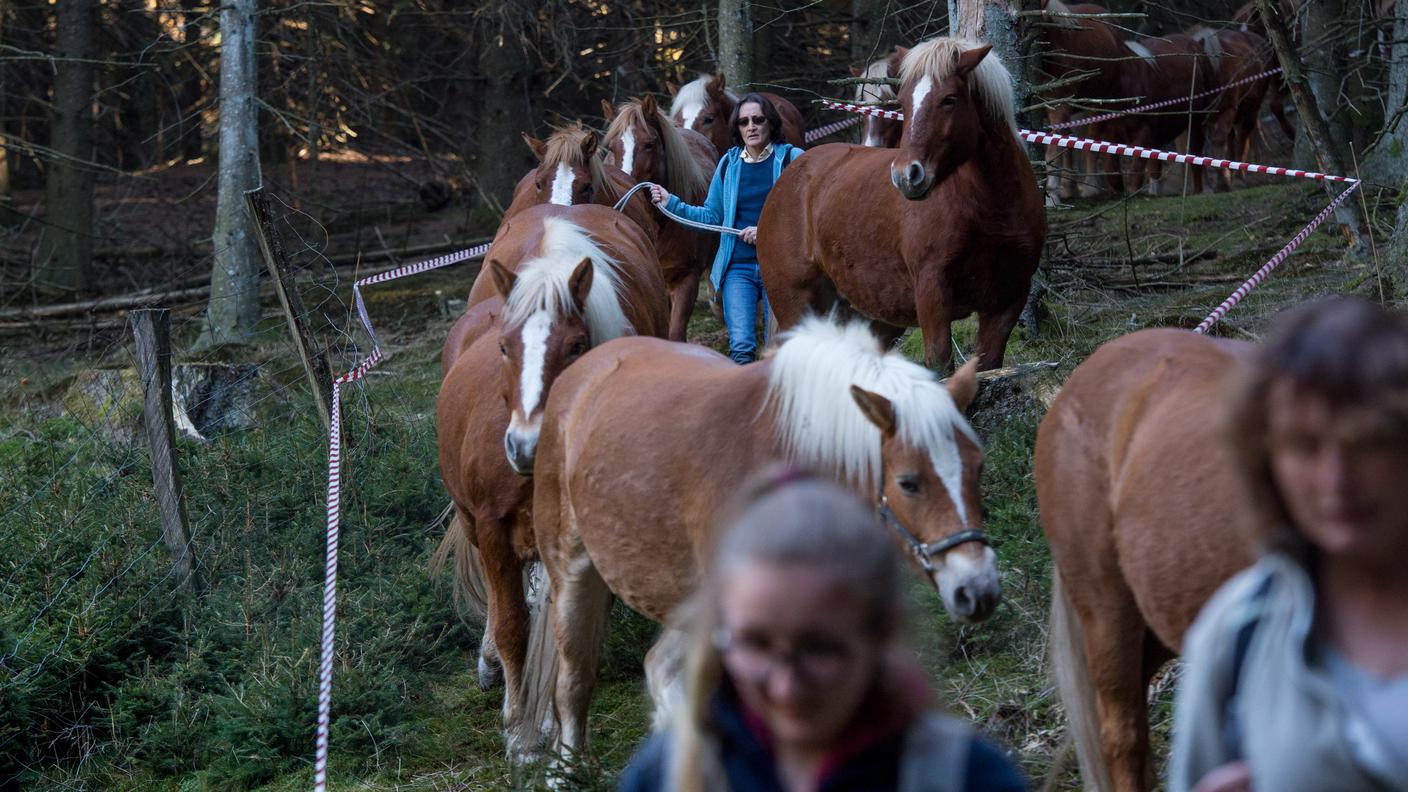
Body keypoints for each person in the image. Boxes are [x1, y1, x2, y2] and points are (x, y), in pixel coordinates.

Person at [618, 468, 1027, 792]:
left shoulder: (967, 777)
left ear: (882, 633)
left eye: (819, 649)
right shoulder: (662, 776)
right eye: (755, 645)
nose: (786, 688)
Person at [1169, 297, 1408, 792]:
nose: (1335, 480)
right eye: (1304, 446)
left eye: (1365, 443)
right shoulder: (1237, 633)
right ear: (1264, 457)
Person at [649, 94, 803, 364]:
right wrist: (670, 201)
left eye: (758, 119)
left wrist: (766, 231)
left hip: (779, 267)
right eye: (744, 122)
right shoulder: (728, 165)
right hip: (738, 268)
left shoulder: (793, 159)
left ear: (771, 123)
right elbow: (710, 216)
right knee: (741, 346)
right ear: (737, 128)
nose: (751, 126)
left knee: (779, 350)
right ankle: (744, 403)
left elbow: (804, 216)